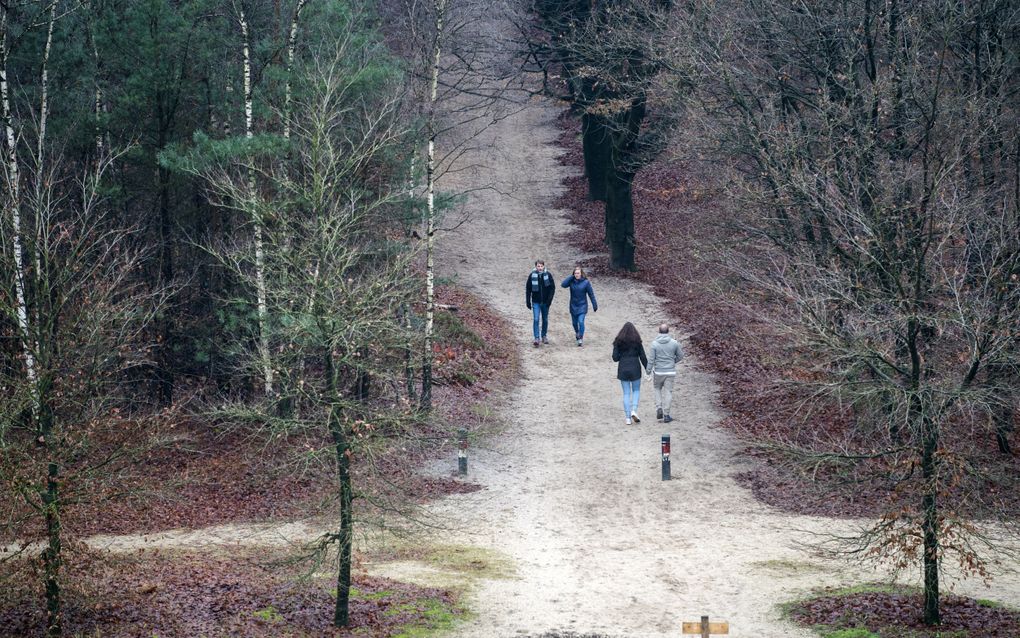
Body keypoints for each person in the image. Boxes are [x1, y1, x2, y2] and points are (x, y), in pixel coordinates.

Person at [646, 323, 684, 423]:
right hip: (670, 372)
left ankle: (659, 407)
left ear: (659, 331)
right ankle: (666, 414)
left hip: (658, 372)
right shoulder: (674, 343)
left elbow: (651, 359)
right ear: (668, 331)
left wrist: (648, 370)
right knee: (668, 392)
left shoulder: (654, 344)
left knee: (657, 388)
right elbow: (680, 356)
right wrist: (672, 362)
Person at [612, 322, 648, 425]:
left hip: (623, 368)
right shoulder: (637, 341)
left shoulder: (618, 341)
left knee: (626, 393)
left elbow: (615, 358)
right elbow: (643, 356)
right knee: (636, 390)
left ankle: (627, 418)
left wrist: (621, 356)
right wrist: (648, 369)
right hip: (635, 368)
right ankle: (634, 410)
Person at [561, 266, 598, 346]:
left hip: (582, 306)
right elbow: (563, 285)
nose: (577, 275)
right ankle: (577, 333)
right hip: (573, 305)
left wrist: (594, 304)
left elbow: (591, 294)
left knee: (581, 321)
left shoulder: (586, 282)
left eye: (578, 273)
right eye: (575, 273)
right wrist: (571, 277)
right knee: (574, 323)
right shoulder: (571, 281)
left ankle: (580, 338)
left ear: (581, 274)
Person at [524, 259, 556, 346]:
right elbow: (528, 289)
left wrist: (549, 300)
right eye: (538, 266)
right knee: (536, 319)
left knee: (545, 319)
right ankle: (536, 338)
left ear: (544, 266)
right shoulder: (532, 276)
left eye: (541, 266)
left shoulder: (548, 275)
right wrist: (528, 301)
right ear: (536, 267)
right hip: (536, 301)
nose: (540, 268)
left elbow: (552, 288)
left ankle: (544, 335)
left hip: (545, 302)